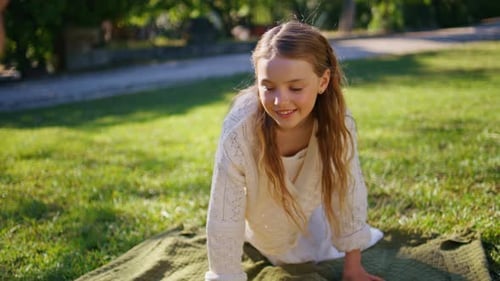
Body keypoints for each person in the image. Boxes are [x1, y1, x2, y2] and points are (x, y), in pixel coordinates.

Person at [205, 21, 384, 281]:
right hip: (262, 227)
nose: (280, 101)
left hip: (311, 217)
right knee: (269, 244)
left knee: (320, 246)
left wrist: (353, 268)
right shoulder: (239, 131)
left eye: (296, 88)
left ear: (323, 81)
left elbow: (347, 189)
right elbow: (223, 213)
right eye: (268, 87)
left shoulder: (338, 122)